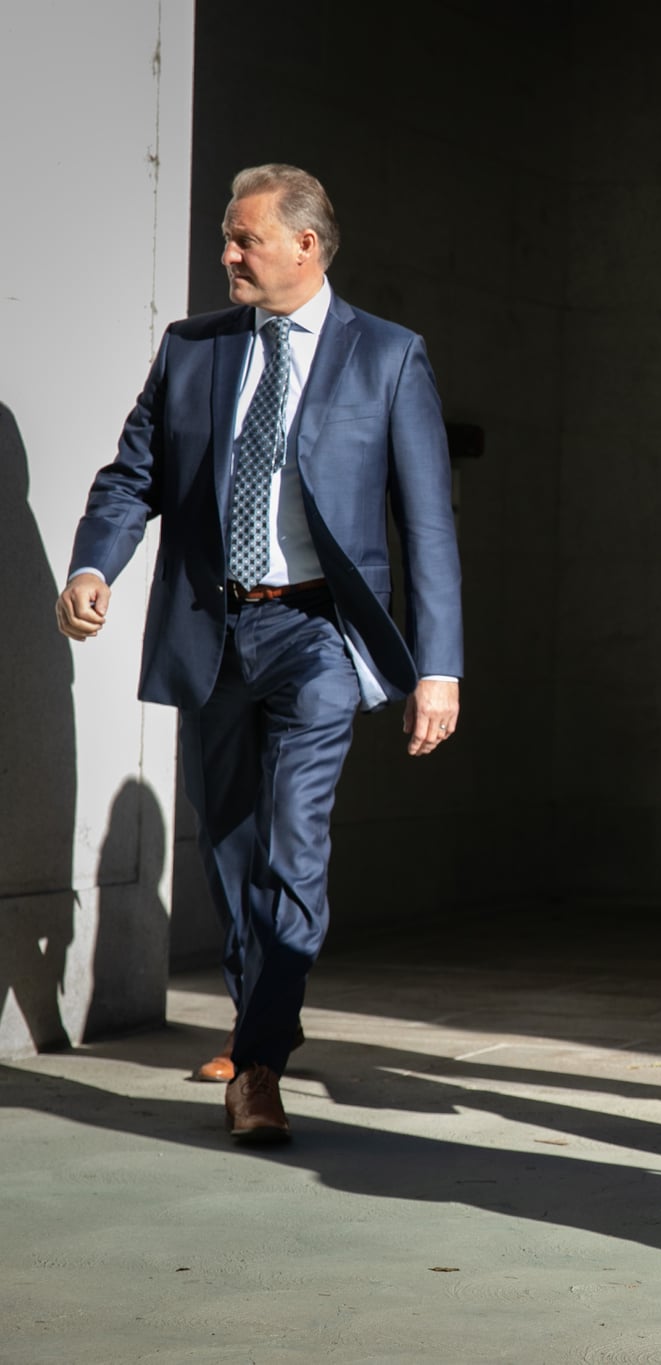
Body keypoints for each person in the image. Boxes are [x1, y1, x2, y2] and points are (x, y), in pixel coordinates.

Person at [56, 165, 463, 1145]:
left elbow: (429, 524)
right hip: (211, 626)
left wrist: (437, 665)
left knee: (294, 838)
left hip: (318, 632)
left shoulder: (387, 357)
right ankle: (259, 1019)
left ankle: (263, 1060)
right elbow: (134, 474)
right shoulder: (191, 349)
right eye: (226, 239)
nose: (227, 256)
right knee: (231, 839)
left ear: (305, 246)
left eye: (244, 241)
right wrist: (93, 564)